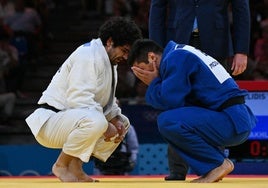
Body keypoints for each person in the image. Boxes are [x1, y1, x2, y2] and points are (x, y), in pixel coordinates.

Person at [25, 17, 142, 182]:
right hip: (51, 121)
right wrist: (105, 124)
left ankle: (76, 167)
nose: (126, 56)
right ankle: (61, 165)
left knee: (123, 122)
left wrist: (114, 119)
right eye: (124, 50)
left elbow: (106, 101)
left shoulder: (108, 62)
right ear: (110, 42)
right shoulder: (88, 55)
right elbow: (79, 100)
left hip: (71, 120)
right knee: (98, 122)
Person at [127, 39, 256, 183]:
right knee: (179, 116)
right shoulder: (180, 52)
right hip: (232, 118)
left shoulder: (176, 57)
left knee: (167, 121)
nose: (142, 75)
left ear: (152, 57)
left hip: (231, 121)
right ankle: (215, 165)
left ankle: (217, 164)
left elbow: (170, 102)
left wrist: (154, 83)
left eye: (141, 69)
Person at [148, 0, 251, 180]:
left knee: (213, 104)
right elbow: (158, 7)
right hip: (178, 36)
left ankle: (215, 165)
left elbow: (240, 6)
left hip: (216, 41)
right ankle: (177, 170)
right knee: (175, 104)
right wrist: (155, 50)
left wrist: (241, 49)